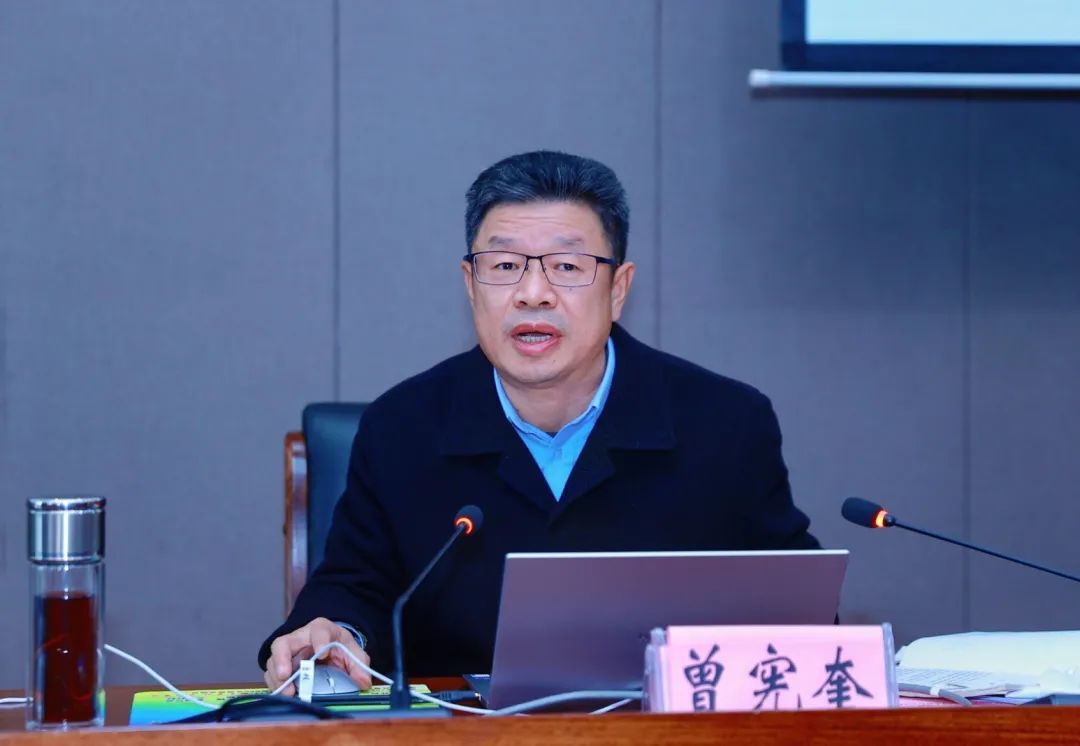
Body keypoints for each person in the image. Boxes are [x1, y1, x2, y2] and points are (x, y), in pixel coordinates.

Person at [259, 151, 820, 693]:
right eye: (505, 267)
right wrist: (334, 634)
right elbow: (352, 589)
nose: (533, 294)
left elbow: (800, 614)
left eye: (567, 267)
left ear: (618, 289)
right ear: (470, 284)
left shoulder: (725, 425)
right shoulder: (402, 428)